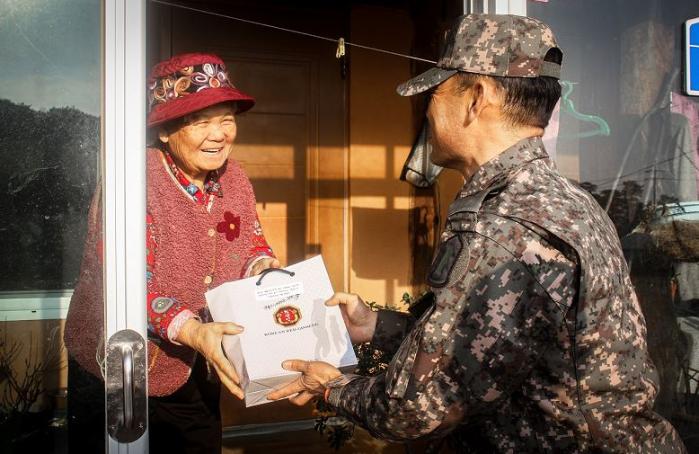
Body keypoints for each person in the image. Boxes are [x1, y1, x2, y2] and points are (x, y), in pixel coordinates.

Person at [268, 14, 687, 452]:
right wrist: (375, 325)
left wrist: (332, 387)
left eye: (435, 92)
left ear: (477, 97)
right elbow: (486, 343)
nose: (427, 109)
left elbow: (419, 408)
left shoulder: (503, 225)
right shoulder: (564, 199)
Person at [64, 53, 278, 453]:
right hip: (119, 365)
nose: (219, 135)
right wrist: (193, 329)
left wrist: (262, 267)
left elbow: (252, 241)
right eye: (201, 121)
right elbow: (125, 280)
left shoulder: (236, 177)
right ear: (164, 130)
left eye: (226, 119)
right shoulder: (131, 181)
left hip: (196, 361)